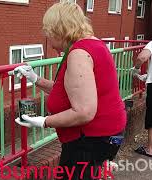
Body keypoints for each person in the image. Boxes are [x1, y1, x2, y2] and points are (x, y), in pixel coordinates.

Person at [14, 2, 127, 179]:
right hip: (105, 136)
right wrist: (35, 78)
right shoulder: (92, 43)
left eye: (49, 35)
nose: (49, 43)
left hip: (89, 142)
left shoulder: (79, 54)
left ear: (60, 30)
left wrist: (43, 121)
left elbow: (84, 112)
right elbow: (70, 91)